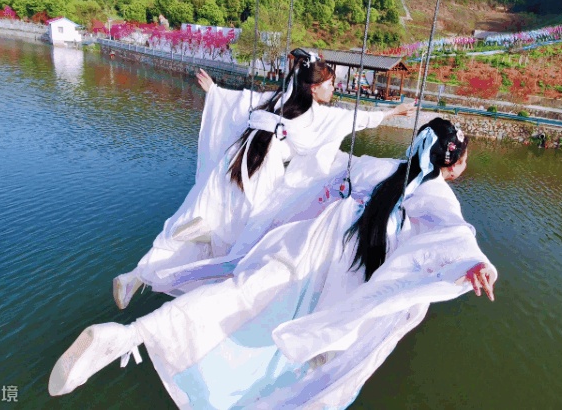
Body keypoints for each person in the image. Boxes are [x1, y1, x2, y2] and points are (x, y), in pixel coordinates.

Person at [49, 118, 496, 408]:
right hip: (338, 284)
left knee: (236, 296)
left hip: (305, 248)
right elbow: (452, 232)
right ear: (452, 163)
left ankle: (131, 334)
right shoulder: (434, 193)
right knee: (323, 360)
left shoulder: (375, 168)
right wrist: (474, 263)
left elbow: (324, 167)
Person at [112, 49, 416, 309]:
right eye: (330, 84)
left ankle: (136, 275)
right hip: (263, 170)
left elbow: (242, 101)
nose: (334, 90)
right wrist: (396, 110)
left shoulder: (279, 98)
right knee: (249, 237)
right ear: (314, 88)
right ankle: (206, 253)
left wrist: (215, 91)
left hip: (235, 158)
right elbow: (361, 118)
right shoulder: (319, 115)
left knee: (192, 216)